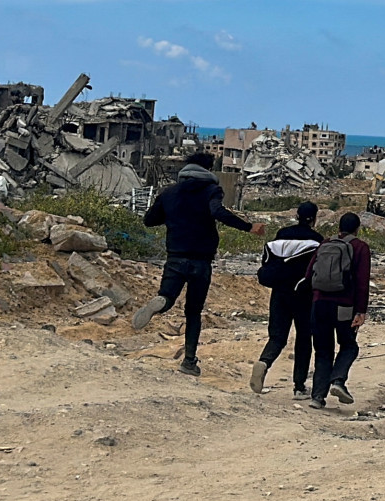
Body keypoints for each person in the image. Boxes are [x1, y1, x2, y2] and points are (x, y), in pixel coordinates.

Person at [133, 152, 264, 376]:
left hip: (175, 256)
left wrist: (176, 215)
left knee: (168, 296)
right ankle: (189, 361)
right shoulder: (211, 190)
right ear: (208, 169)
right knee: (193, 312)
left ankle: (161, 302)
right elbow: (217, 211)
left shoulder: (169, 192)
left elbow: (149, 220)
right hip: (201, 261)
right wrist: (248, 227)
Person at [250, 201, 323, 400]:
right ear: (314, 218)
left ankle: (264, 362)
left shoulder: (281, 235)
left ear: (297, 215)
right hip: (303, 296)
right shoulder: (317, 240)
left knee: (277, 337)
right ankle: (299, 387)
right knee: (303, 338)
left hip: (279, 294)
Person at [306, 212, 372, 410]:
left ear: (339, 227)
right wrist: (361, 311)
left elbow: (310, 274)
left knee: (323, 351)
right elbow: (362, 283)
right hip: (344, 306)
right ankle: (338, 381)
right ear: (357, 228)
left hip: (319, 304)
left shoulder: (325, 244)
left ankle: (317, 397)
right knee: (349, 346)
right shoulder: (360, 247)